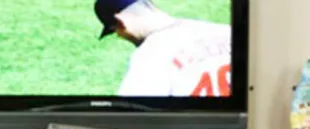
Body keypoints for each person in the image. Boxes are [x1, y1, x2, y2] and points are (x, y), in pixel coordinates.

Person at [93, 0, 232, 98]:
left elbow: (131, 118)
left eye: (115, 31)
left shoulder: (149, 57)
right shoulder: (225, 31)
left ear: (120, 22)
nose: (120, 36)